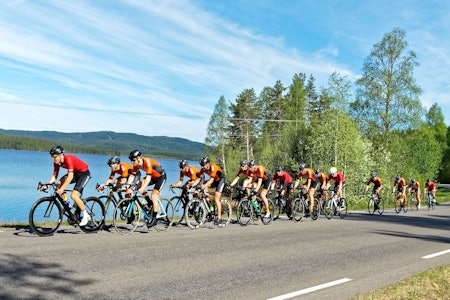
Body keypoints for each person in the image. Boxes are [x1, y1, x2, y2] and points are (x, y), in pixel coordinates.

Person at [40, 145, 91, 226]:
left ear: (61, 155)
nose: (53, 159)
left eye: (54, 156)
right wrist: (47, 185)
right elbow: (54, 176)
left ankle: (86, 215)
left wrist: (62, 189)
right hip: (75, 173)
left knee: (74, 195)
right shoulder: (56, 163)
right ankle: (68, 204)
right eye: (52, 157)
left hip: (84, 174)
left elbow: (70, 177)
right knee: (58, 183)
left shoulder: (68, 159)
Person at [126, 150, 167, 226]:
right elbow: (132, 176)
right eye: (131, 160)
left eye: (133, 160)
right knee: (139, 184)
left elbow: (148, 178)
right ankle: (150, 203)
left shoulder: (147, 162)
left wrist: (143, 188)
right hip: (153, 177)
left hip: (161, 177)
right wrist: (128, 186)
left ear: (139, 158)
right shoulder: (136, 164)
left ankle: (154, 218)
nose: (132, 162)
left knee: (154, 195)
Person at [195, 157, 227, 227]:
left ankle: (219, 218)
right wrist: (194, 185)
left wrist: (204, 185)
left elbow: (211, 180)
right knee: (204, 189)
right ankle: (210, 209)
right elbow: (199, 178)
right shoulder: (203, 169)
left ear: (208, 164)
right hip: (214, 181)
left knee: (216, 198)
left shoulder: (213, 167)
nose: (202, 167)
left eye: (203, 165)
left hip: (221, 180)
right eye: (201, 165)